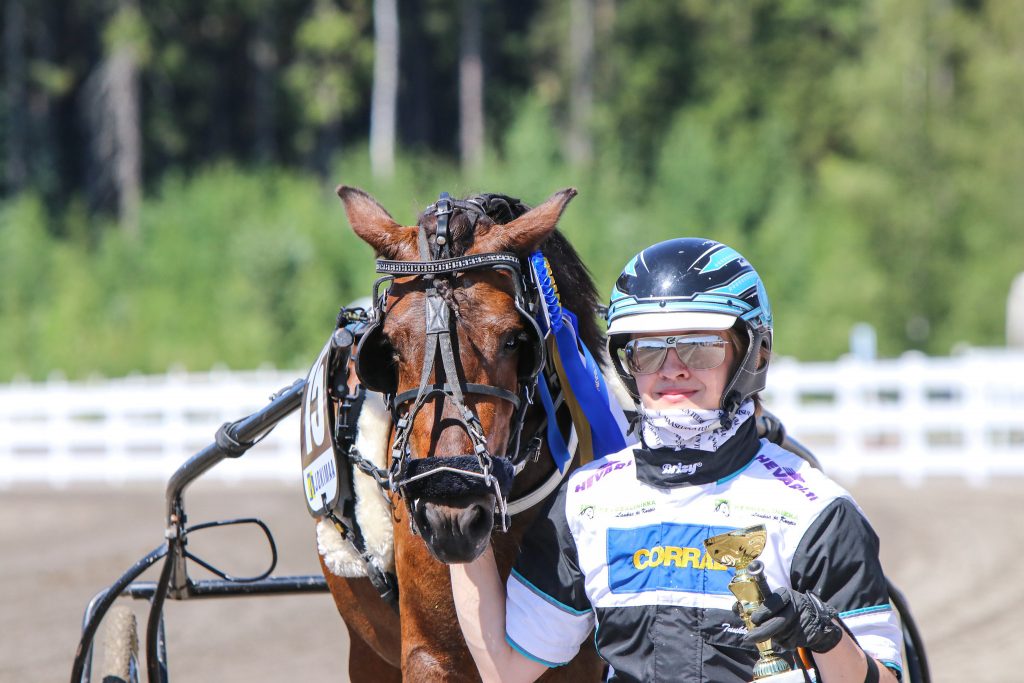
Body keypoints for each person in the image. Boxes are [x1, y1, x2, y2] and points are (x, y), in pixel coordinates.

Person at [449, 238, 904, 682]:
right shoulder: (584, 505)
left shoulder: (816, 511)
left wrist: (824, 635)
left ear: (753, 354)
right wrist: (456, 524)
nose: (672, 368)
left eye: (699, 346)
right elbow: (507, 670)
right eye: (648, 350)